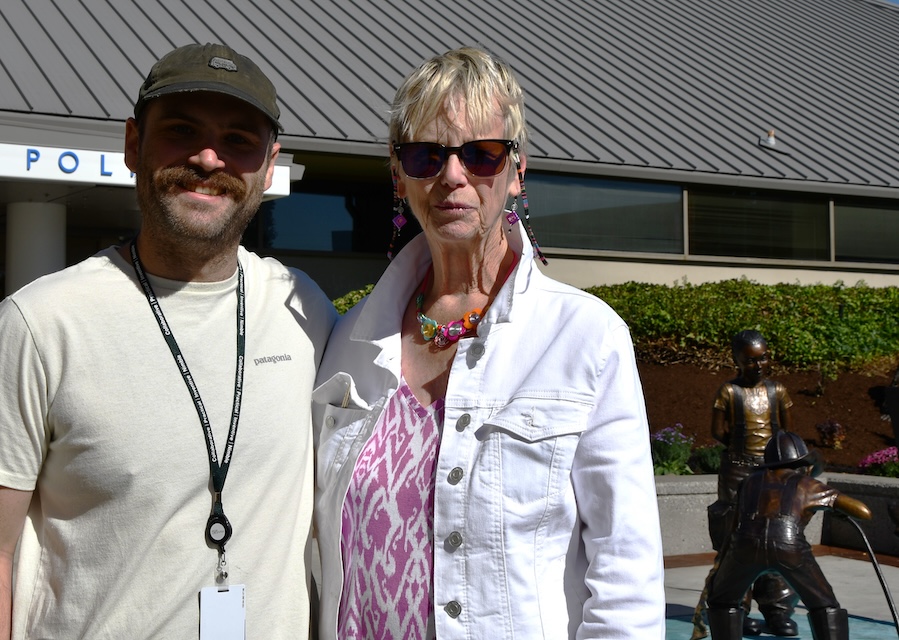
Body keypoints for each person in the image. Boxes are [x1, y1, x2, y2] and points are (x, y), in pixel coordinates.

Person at [312, 46, 665, 639]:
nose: (453, 176)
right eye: (427, 155)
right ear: (399, 176)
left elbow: (624, 567)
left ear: (517, 169)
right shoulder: (348, 339)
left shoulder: (585, 337)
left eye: (481, 154)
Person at [0, 43, 336, 639]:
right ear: (134, 144)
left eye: (239, 140)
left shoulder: (303, 309)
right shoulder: (40, 323)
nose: (209, 158)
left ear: (268, 163)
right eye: (182, 131)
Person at [705, 431, 872, 640]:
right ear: (803, 463)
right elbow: (863, 511)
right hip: (789, 548)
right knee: (824, 604)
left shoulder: (749, 482)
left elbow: (735, 524)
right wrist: (833, 506)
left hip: (744, 547)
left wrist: (723, 563)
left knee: (722, 602)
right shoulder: (810, 485)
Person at [707, 329, 798, 636]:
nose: (758, 366)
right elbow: (718, 431)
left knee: (776, 538)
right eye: (750, 360)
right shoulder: (728, 392)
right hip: (737, 471)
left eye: (762, 359)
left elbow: (786, 433)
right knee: (736, 541)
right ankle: (736, 608)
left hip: (773, 471)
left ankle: (777, 609)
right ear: (736, 359)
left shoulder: (778, 390)